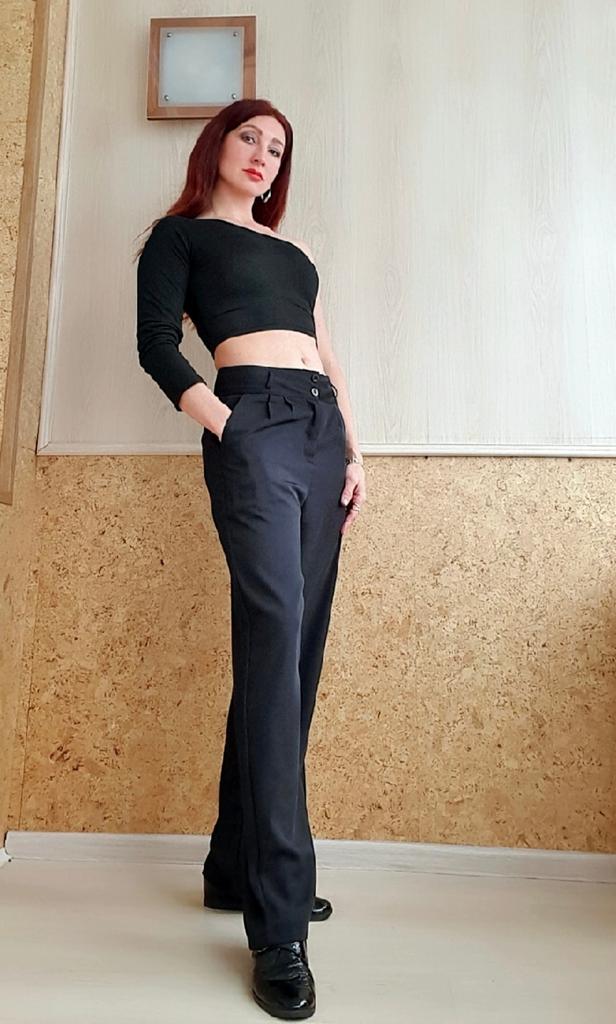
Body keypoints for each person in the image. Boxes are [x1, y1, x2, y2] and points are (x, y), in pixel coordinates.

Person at [135, 97, 366, 1020]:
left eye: (278, 147)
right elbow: (156, 345)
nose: (264, 155)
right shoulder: (179, 237)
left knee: (294, 652)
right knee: (274, 638)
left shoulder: (295, 254)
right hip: (253, 422)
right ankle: (279, 924)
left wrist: (355, 453)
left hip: (319, 434)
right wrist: (227, 424)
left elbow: (328, 354)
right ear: (217, 145)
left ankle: (238, 868)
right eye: (249, 138)